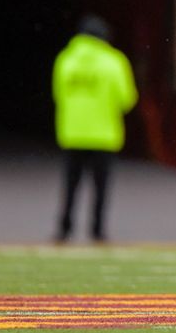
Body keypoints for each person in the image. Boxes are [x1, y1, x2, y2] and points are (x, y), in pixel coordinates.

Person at [53, 15, 138, 243]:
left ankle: (64, 229)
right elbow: (127, 99)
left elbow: (58, 94)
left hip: (73, 133)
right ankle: (97, 231)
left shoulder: (66, 59)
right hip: (104, 135)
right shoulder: (114, 61)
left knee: (71, 187)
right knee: (100, 189)